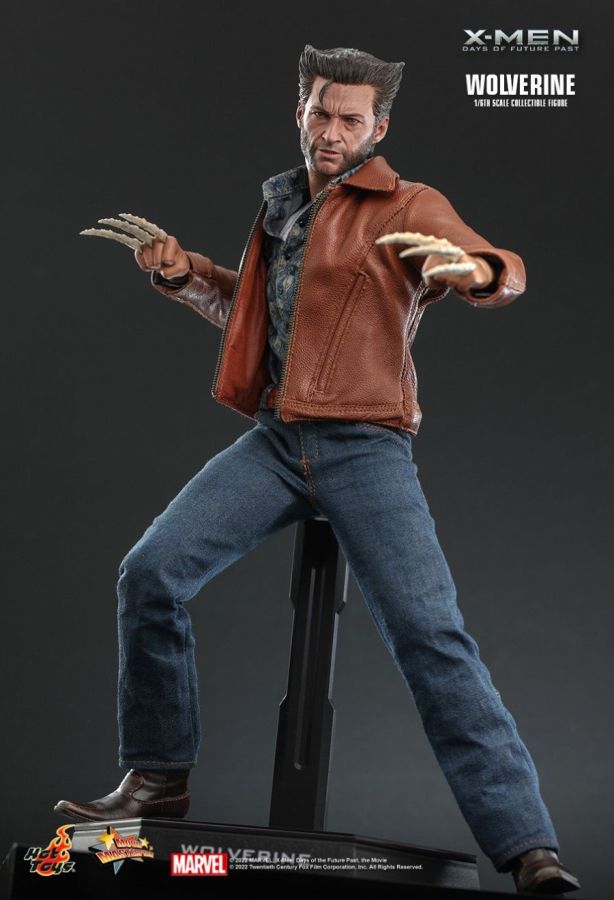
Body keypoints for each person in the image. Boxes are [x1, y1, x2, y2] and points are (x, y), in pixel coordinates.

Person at [56, 45, 580, 895]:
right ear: (299, 112)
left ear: (378, 128)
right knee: (150, 573)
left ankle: (529, 847)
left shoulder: (407, 203)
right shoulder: (283, 208)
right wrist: (189, 277)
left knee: (431, 637)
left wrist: (481, 272)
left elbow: (500, 267)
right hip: (276, 442)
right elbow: (261, 320)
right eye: (321, 113)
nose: (333, 132)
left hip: (365, 446)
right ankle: (158, 775)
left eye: (351, 120)